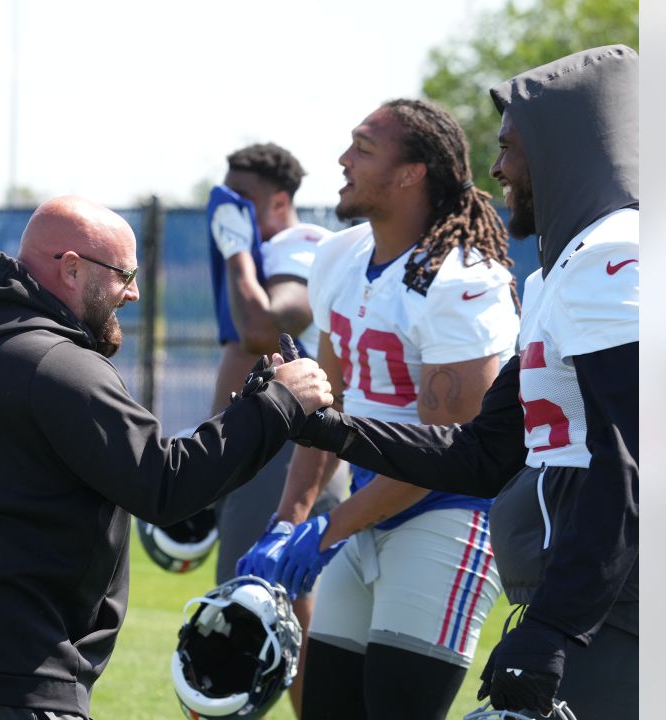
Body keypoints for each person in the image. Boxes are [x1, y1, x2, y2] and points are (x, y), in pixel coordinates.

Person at [0, 195, 334, 720]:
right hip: (4, 671)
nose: (134, 292)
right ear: (73, 269)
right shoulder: (59, 364)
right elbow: (165, 486)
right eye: (124, 273)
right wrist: (278, 403)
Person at [286, 46, 638, 720]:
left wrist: (555, 628)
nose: (498, 168)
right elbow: (479, 453)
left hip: (613, 603)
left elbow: (630, 460)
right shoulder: (562, 270)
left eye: (511, 148)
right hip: (583, 596)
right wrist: (325, 426)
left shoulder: (615, 255)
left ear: (562, 150)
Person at [241, 98, 521, 720]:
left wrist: (329, 529)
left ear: (411, 172)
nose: (343, 160)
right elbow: (320, 408)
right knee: (325, 708)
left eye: (364, 148)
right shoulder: (340, 257)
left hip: (449, 513)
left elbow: (450, 454)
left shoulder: (463, 280)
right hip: (365, 508)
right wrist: (290, 520)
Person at [207, 142, 348, 713]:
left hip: (288, 457)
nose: (229, 210)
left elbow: (264, 328)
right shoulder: (268, 248)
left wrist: (239, 252)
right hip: (264, 454)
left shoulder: (302, 244)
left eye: (242, 200)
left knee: (249, 611)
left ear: (280, 200)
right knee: (280, 610)